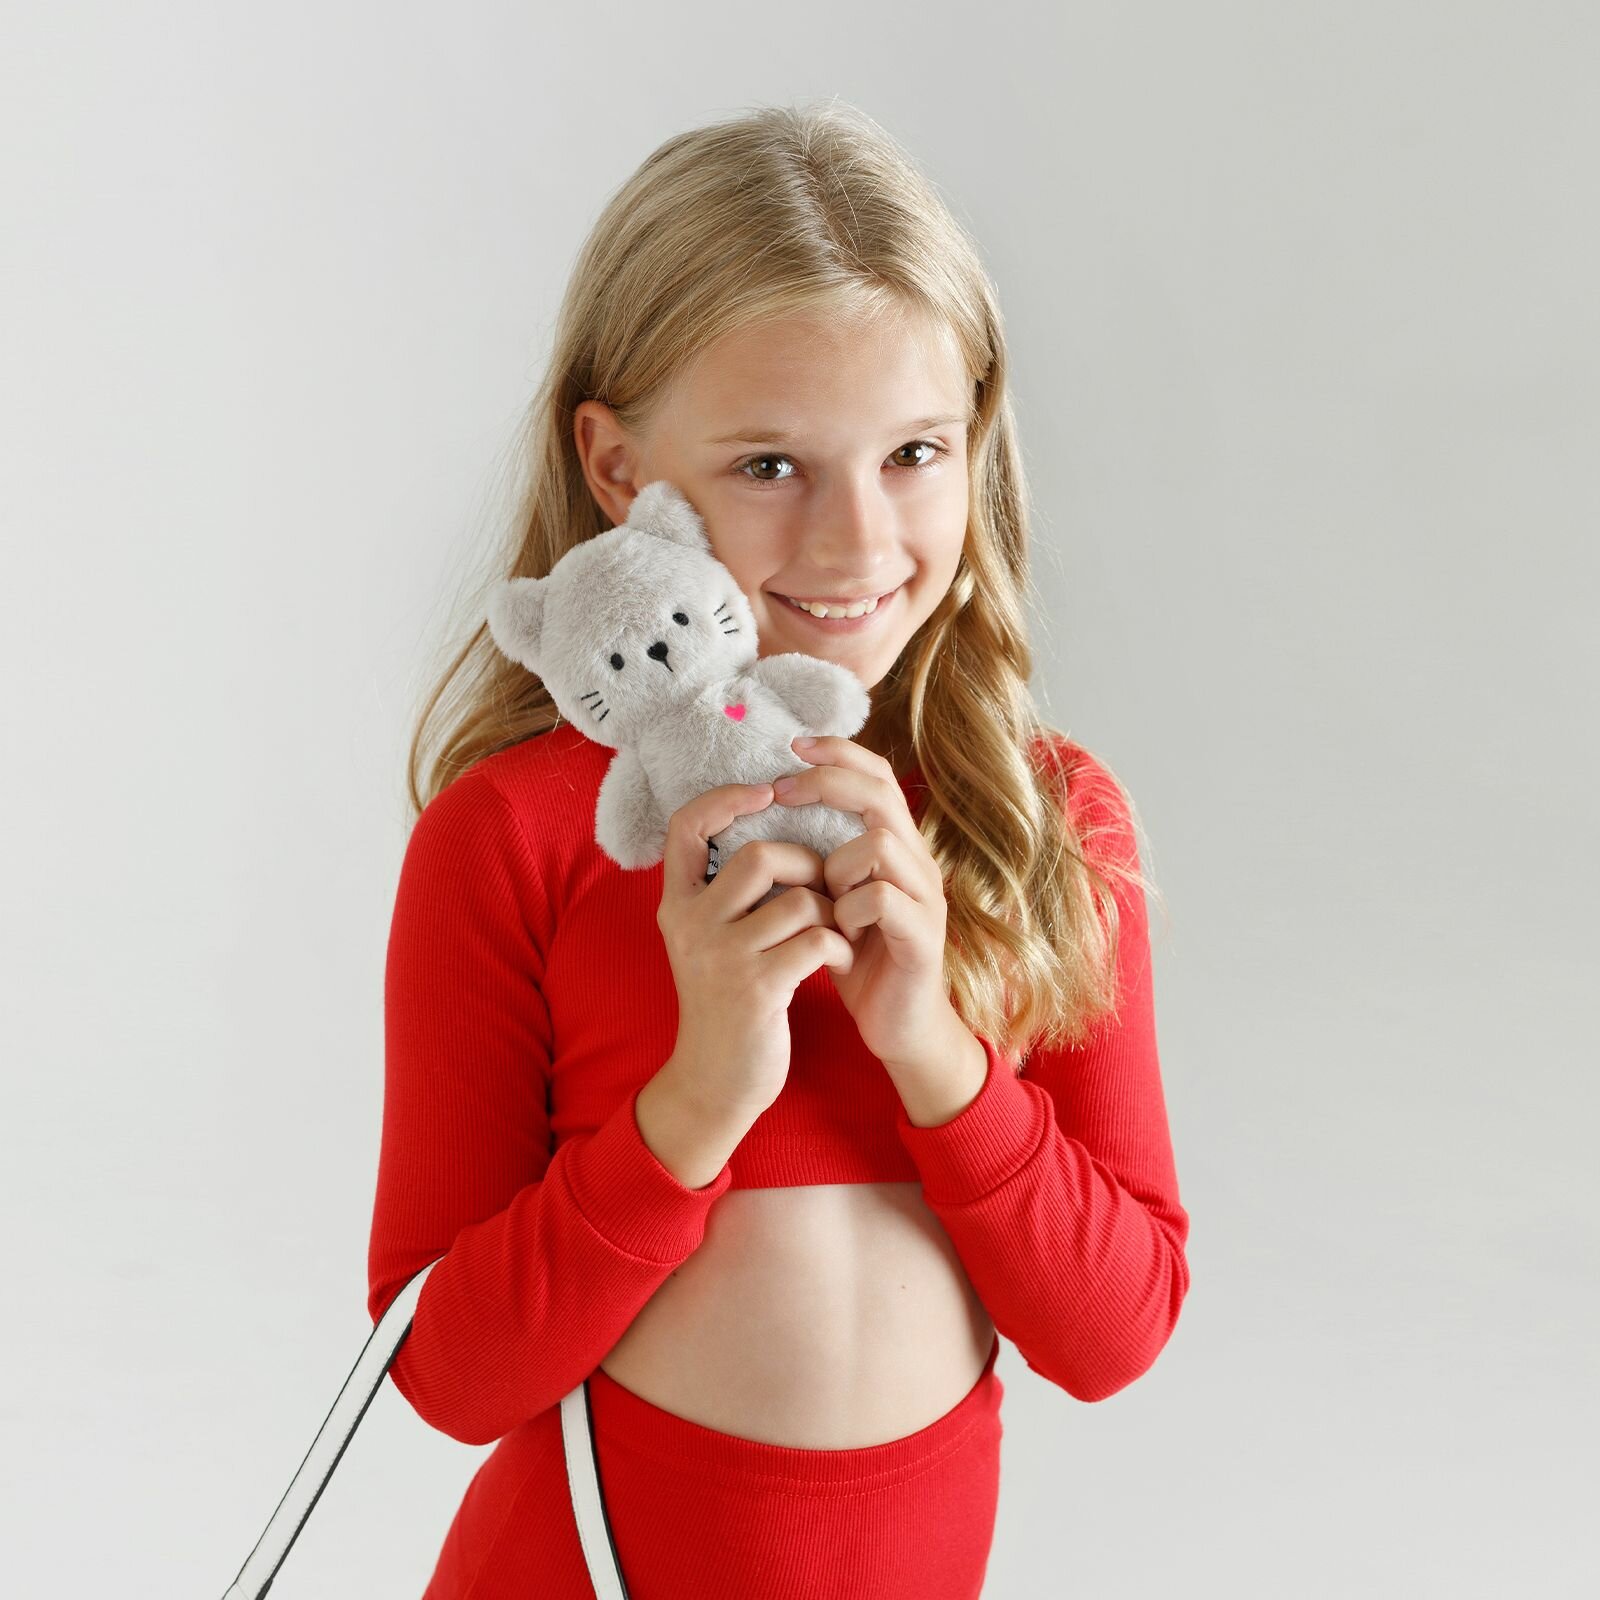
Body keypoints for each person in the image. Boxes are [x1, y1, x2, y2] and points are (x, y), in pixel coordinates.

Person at [367, 98, 1190, 1600]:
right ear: (618, 471)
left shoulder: (1044, 823)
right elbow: (448, 1376)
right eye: (768, 466)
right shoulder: (519, 840)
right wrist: (701, 1095)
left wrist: (934, 1051)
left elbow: (1115, 1333)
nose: (857, 542)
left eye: (914, 452)